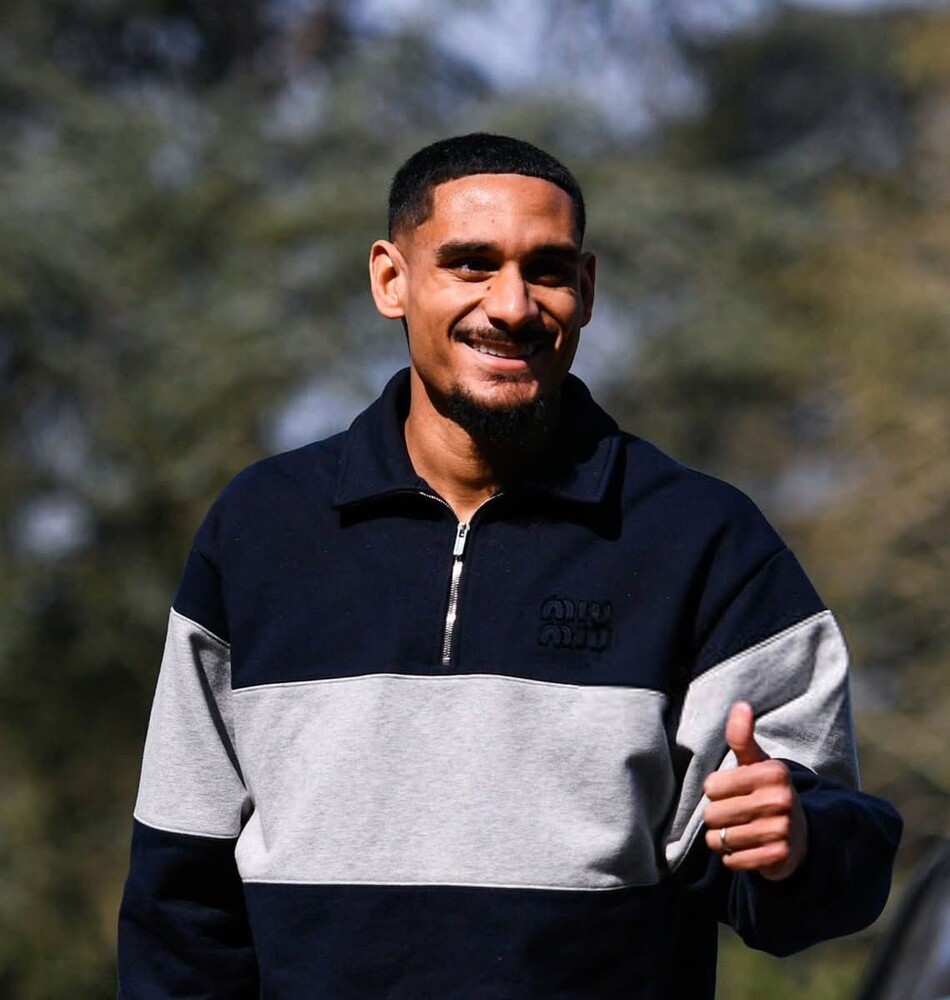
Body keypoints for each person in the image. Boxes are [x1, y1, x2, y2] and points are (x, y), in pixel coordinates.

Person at [118, 133, 901, 998]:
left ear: (587, 290)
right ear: (391, 279)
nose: (513, 306)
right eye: (471, 264)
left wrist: (798, 844)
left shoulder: (704, 539)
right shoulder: (260, 529)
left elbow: (826, 869)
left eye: (548, 270)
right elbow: (178, 899)